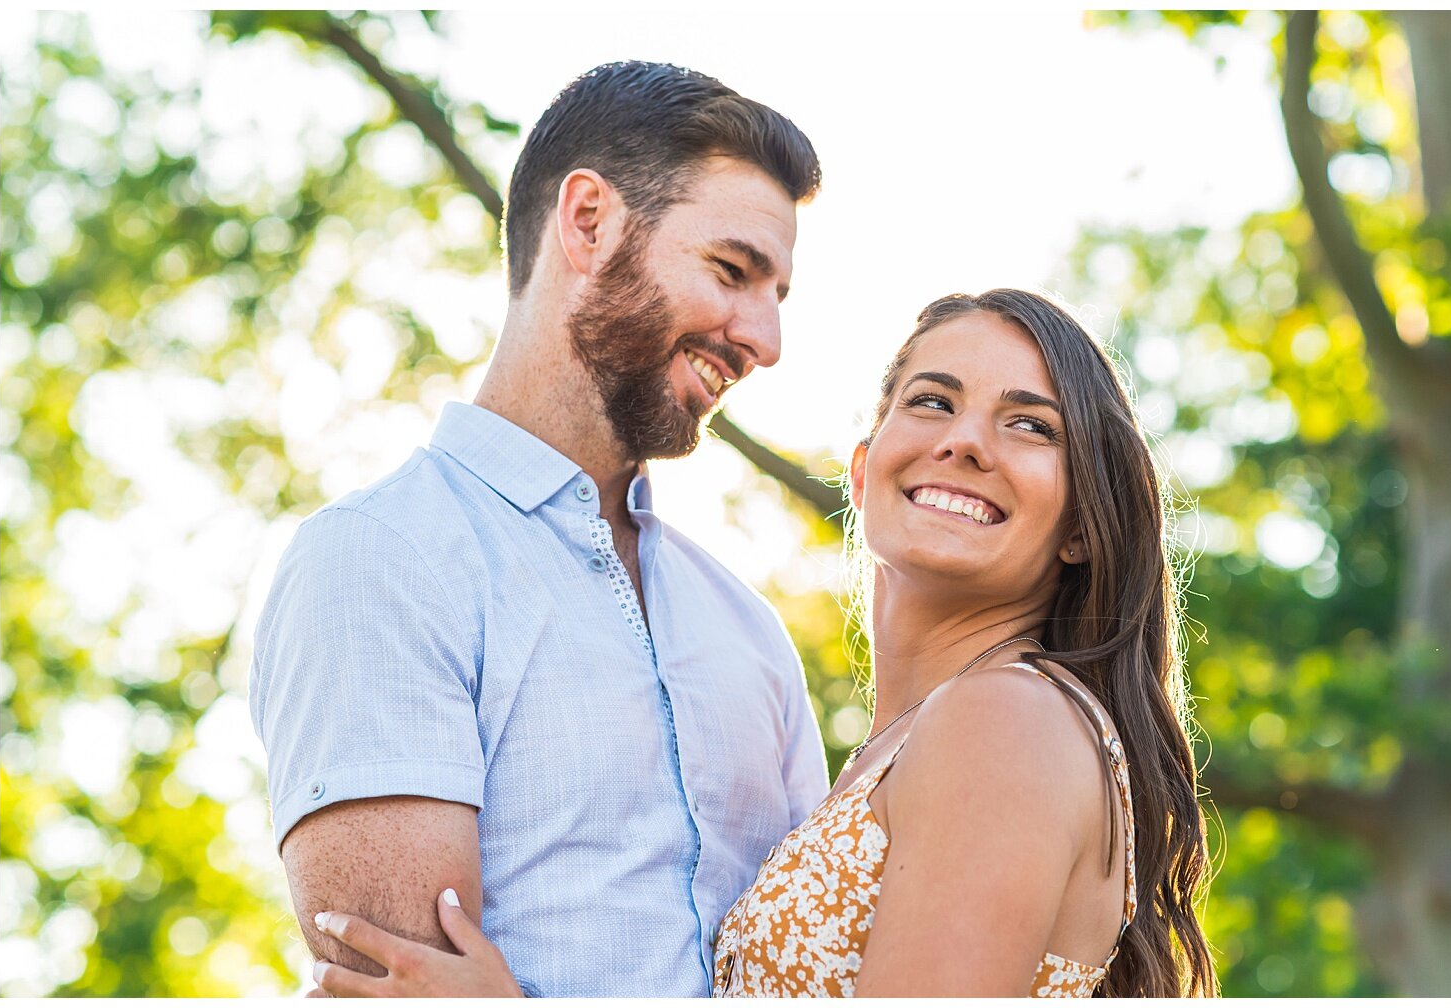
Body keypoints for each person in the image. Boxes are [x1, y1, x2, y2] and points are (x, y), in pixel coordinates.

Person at [309, 289, 1218, 997]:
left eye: (1031, 425)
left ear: (1083, 528)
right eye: (933, 401)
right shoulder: (898, 752)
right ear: (863, 473)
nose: (967, 442)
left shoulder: (1005, 720)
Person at [248, 61, 829, 999]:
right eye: (732, 271)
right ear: (589, 221)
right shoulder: (379, 561)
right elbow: (396, 988)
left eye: (776, 295)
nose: (763, 338)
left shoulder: (750, 633)